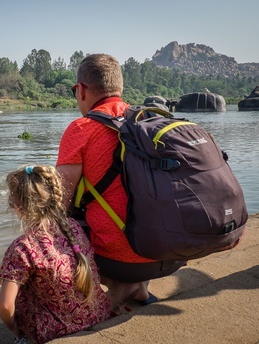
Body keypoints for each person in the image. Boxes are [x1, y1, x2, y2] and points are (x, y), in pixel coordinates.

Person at [56, 54, 185, 315]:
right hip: (175, 253)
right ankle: (140, 287)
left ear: (80, 90)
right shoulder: (150, 120)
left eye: (74, 91)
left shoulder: (81, 128)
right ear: (120, 89)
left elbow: (58, 199)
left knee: (57, 221)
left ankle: (120, 287)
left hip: (119, 261)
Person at [0, 165, 110, 344]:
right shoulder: (73, 227)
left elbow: (5, 306)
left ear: (18, 207)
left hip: (55, 331)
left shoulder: (22, 248)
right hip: (97, 314)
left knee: (14, 285)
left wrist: (15, 329)